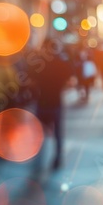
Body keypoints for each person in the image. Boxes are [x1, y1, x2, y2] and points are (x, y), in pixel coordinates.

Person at [30, 39, 74, 169]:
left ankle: (38, 161)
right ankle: (58, 159)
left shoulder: (39, 63)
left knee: (39, 133)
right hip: (56, 102)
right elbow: (69, 80)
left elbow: (31, 80)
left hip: (42, 102)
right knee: (58, 133)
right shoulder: (61, 62)